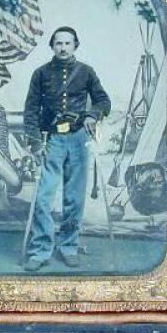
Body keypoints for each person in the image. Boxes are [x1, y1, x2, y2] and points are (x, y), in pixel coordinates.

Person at [23, 26, 111, 271]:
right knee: (43, 198)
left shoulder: (86, 72)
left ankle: (69, 247)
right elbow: (30, 110)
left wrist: (93, 114)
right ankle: (40, 250)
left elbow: (104, 101)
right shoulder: (40, 74)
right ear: (52, 46)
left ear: (75, 46)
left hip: (78, 140)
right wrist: (35, 141)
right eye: (58, 43)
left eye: (67, 43)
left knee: (74, 199)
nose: (62, 47)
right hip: (52, 140)